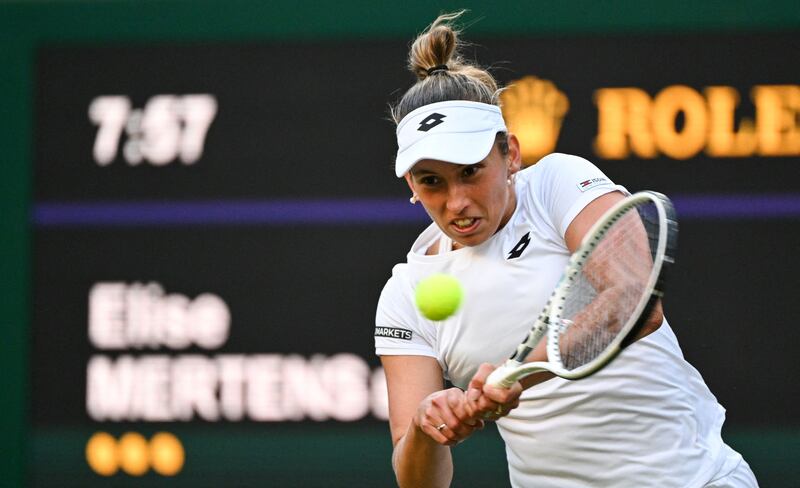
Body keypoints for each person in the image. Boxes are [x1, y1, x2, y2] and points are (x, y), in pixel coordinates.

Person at [373, 11, 758, 488]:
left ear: (510, 154)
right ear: (411, 184)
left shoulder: (556, 184)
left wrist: (515, 376)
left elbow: (635, 300)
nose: (457, 202)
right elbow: (419, 482)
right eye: (432, 182)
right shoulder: (405, 294)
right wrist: (427, 428)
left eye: (471, 171)